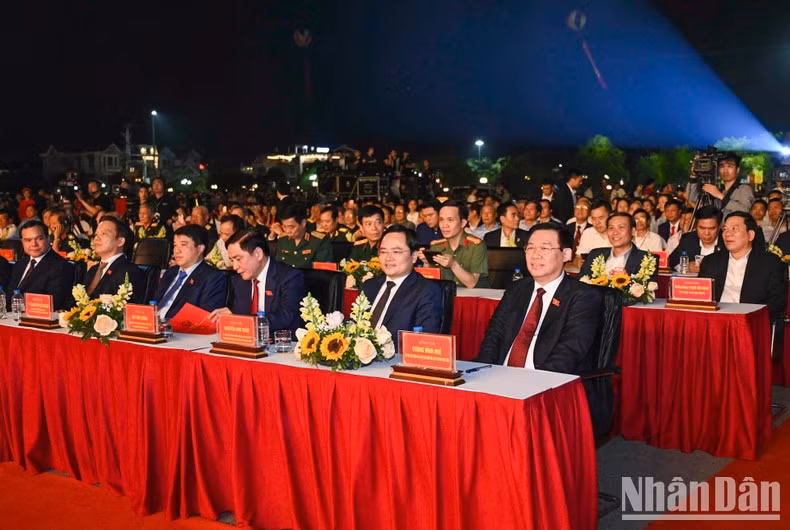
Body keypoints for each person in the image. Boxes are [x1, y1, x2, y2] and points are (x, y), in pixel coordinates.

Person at [475, 222, 602, 373]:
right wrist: (485, 372)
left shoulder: (583, 296)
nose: (535, 255)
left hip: (545, 381)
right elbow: (494, 336)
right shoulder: (517, 289)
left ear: (566, 254)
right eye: (530, 248)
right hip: (501, 375)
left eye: (544, 248)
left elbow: (570, 352)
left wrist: (536, 383)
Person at [209, 228, 305, 332]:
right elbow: (238, 312)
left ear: (258, 254)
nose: (235, 267)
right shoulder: (238, 280)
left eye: (238, 259)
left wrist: (241, 320)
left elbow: (285, 317)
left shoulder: (290, 277)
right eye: (232, 260)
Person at [699, 212, 786, 323]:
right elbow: (701, 297)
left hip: (750, 322)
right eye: (725, 229)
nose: (727, 234)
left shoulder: (769, 263)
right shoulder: (710, 261)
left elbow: (777, 302)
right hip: (714, 321)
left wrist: (752, 318)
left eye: (734, 229)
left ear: (750, 235)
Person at [361, 225, 442, 336]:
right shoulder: (369, 286)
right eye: (383, 252)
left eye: (396, 252)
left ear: (413, 256)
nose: (388, 258)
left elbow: (424, 340)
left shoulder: (427, 291)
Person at [153, 225, 228, 320]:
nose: (177, 250)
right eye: (175, 245)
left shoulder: (213, 278)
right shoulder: (170, 272)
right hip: (152, 325)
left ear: (200, 249)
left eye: (183, 245)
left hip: (180, 331)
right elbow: (154, 302)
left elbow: (205, 315)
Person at [6, 220, 74, 310]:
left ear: (48, 238)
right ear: (22, 242)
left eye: (39, 238)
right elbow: (9, 295)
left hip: (36, 319)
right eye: (28, 240)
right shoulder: (20, 263)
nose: (34, 244)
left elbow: (53, 303)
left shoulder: (60, 266)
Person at [420, 201, 488, 288]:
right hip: (445, 296)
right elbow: (430, 282)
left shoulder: (477, 246)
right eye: (441, 220)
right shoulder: (436, 246)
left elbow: (472, 283)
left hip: (472, 297)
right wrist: (426, 263)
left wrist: (453, 264)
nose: (444, 225)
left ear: (463, 223)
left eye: (450, 220)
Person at [580, 213, 658, 281]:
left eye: (621, 227)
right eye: (611, 228)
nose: (615, 232)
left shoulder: (647, 259)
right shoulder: (595, 254)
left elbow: (645, 293)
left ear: (633, 231)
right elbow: (580, 283)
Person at [84, 217, 145, 302]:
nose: (96, 239)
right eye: (96, 234)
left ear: (120, 241)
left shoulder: (130, 272)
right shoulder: (93, 270)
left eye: (103, 234)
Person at [687, 151, 755, 217]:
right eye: (722, 166)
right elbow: (691, 198)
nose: (725, 170)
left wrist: (720, 196)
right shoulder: (718, 189)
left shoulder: (744, 189)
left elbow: (745, 211)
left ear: (737, 170)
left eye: (730, 166)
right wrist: (693, 176)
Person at [273, 203, 332, 268]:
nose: (287, 231)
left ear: (303, 223)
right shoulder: (283, 240)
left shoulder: (319, 241)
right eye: (284, 227)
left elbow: (323, 270)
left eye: (291, 227)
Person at [668, 206, 724, 271]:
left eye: (711, 228)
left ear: (719, 227)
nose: (706, 233)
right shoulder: (688, 239)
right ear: (696, 226)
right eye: (702, 228)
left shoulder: (727, 241)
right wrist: (685, 267)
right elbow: (672, 261)